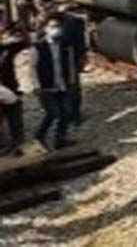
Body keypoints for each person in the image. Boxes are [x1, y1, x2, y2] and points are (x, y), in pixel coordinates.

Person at [31, 17, 76, 150]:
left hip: (62, 84)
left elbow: (70, 64)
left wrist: (72, 80)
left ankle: (59, 139)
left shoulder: (65, 45)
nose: (56, 29)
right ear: (46, 29)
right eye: (52, 26)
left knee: (66, 112)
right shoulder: (38, 47)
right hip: (46, 86)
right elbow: (32, 68)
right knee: (53, 113)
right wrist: (36, 86)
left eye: (58, 26)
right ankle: (39, 136)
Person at [0, 25, 26, 156]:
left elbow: (23, 43)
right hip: (4, 92)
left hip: (9, 88)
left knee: (15, 120)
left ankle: (18, 144)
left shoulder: (7, 48)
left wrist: (12, 39)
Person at [60, 11, 87, 128]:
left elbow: (80, 44)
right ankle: (68, 114)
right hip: (55, 61)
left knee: (72, 87)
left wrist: (82, 57)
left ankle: (74, 114)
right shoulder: (42, 22)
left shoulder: (72, 22)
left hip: (68, 60)